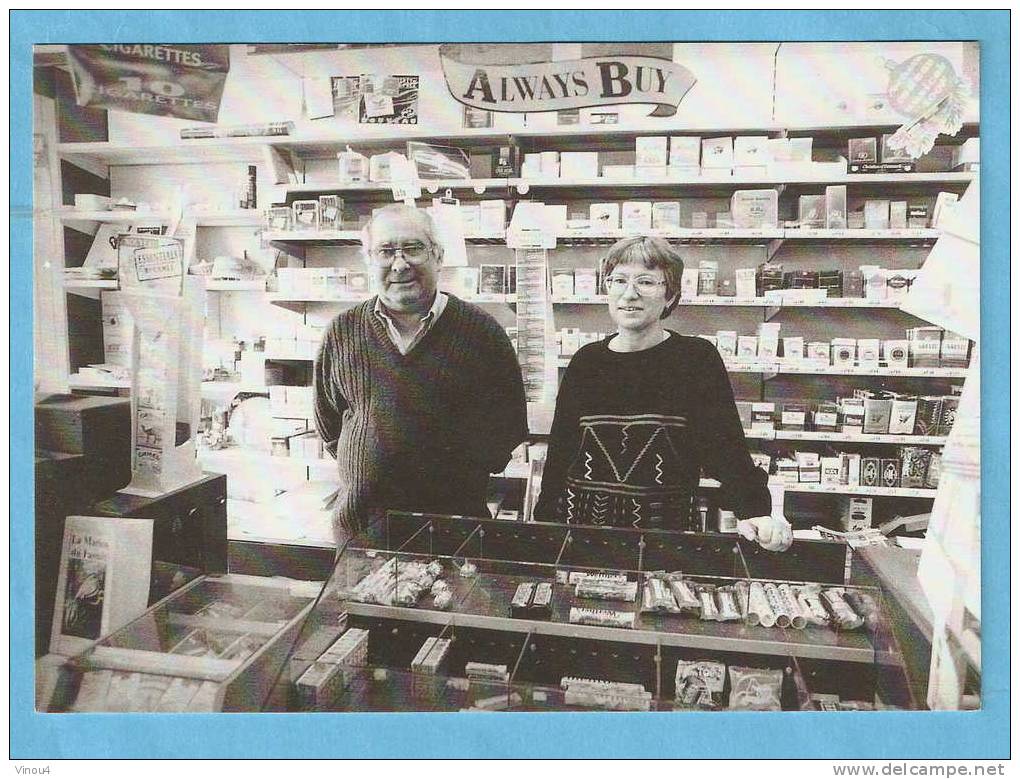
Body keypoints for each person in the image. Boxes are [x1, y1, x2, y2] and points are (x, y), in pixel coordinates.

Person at [533, 236, 792, 552]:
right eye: (619, 281)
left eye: (646, 282)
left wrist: (756, 511)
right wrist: (544, 523)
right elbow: (561, 452)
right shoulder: (586, 361)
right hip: (582, 533)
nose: (630, 294)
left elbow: (725, 447)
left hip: (666, 537)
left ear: (670, 296)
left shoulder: (695, 359)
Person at [314, 204, 528, 543]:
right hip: (363, 531)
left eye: (413, 248)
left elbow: (507, 430)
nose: (399, 264)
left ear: (438, 255)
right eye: (386, 251)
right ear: (369, 260)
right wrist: (372, 465)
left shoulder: (483, 333)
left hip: (455, 533)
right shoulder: (342, 331)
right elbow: (329, 424)